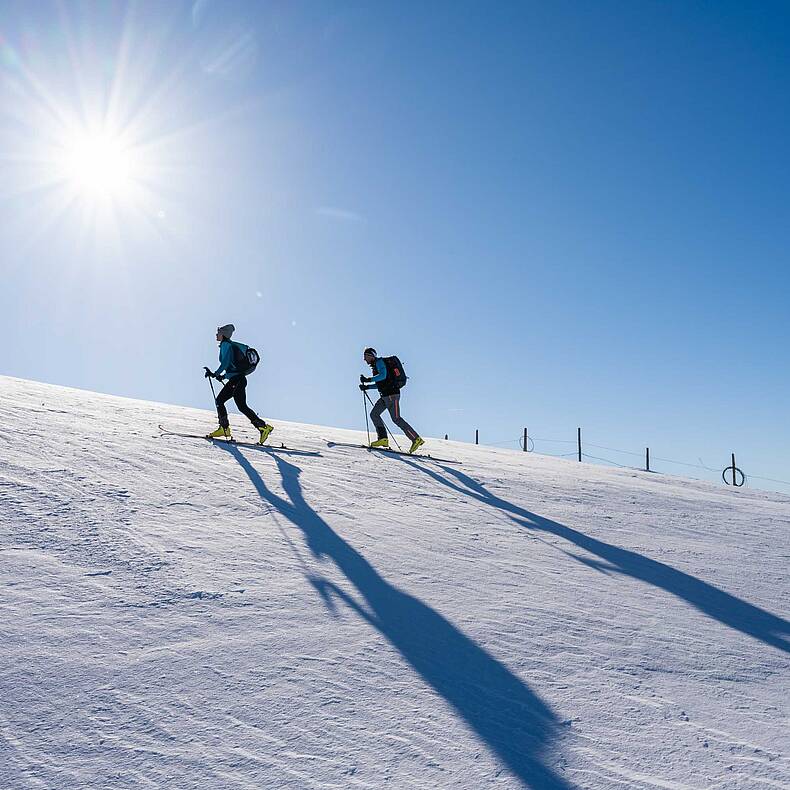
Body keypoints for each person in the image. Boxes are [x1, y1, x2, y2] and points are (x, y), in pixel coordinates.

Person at [204, 324, 273, 444]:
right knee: (241, 406)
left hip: (237, 380)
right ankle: (263, 427)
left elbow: (225, 363)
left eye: (218, 333)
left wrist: (215, 373)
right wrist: (223, 376)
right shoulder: (228, 345)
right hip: (238, 379)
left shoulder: (226, 345)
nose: (216, 335)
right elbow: (232, 367)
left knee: (220, 401)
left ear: (223, 335)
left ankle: (225, 429)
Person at [359, 347, 424, 454]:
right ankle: (383, 439)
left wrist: (368, 380)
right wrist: (367, 387)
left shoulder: (379, 362)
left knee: (396, 419)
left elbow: (383, 376)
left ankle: (416, 439)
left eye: (366, 357)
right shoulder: (375, 366)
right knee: (374, 414)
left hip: (392, 395)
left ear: (371, 356)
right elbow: (381, 384)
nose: (364, 359)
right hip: (385, 396)